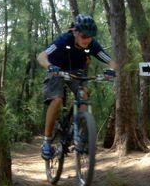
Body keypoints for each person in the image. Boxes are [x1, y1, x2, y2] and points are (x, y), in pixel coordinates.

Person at [37, 14, 116, 160]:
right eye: (84, 36)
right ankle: (47, 142)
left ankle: (80, 135)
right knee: (57, 99)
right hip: (56, 69)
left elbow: (111, 61)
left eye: (90, 36)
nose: (87, 39)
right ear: (75, 32)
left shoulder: (92, 44)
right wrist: (50, 67)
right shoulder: (63, 40)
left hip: (76, 71)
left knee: (84, 94)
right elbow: (41, 56)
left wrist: (112, 71)